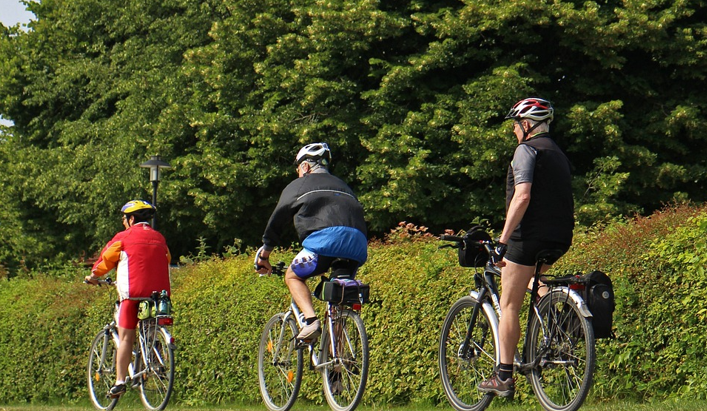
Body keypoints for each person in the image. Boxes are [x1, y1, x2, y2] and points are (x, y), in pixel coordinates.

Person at [478, 98, 574, 398]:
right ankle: (557, 319)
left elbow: (522, 196)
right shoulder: (558, 154)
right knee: (533, 279)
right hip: (560, 237)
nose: (514, 132)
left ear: (527, 125)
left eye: (515, 126)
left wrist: (503, 241)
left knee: (509, 305)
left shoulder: (526, 150)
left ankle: (503, 376)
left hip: (527, 237)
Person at [255, 143, 368, 340]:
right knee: (339, 299)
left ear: (305, 167)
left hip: (325, 241)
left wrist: (264, 253)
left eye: (298, 168)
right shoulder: (343, 185)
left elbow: (277, 219)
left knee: (293, 276)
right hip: (357, 244)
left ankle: (311, 321)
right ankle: (337, 365)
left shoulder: (299, 185)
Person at [85, 200, 171, 398]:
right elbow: (166, 259)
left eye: (125, 219)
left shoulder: (123, 238)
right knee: (149, 327)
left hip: (132, 295)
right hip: (159, 296)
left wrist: (93, 276)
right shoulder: (160, 238)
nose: (124, 222)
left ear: (131, 219)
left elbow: (105, 261)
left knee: (125, 337)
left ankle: (120, 381)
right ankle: (155, 356)